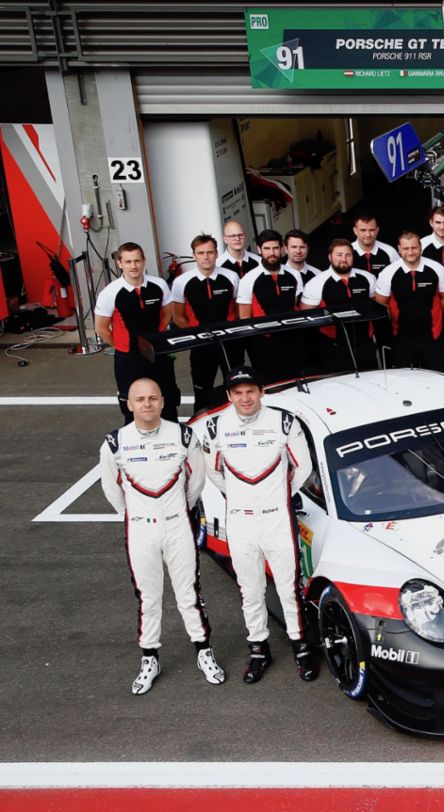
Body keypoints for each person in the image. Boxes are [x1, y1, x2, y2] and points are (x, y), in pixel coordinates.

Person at [99, 378, 224, 694]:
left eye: (153, 397)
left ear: (163, 401)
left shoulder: (183, 436)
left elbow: (195, 483)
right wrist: (137, 515)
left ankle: (204, 651)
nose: (146, 404)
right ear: (129, 404)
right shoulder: (114, 443)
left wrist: (179, 510)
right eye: (139, 399)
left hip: (177, 524)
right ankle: (149, 657)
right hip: (140, 528)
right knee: (148, 596)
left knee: (189, 593)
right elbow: (112, 490)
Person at [202, 366, 317, 684]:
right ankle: (258, 650)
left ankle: (301, 647)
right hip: (241, 521)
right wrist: (242, 497)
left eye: (250, 391)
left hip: (277, 518)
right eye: (237, 393)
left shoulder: (283, 421)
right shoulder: (215, 428)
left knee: (288, 588)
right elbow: (214, 473)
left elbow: (302, 467)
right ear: (229, 396)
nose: (245, 398)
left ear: (261, 392)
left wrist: (278, 495)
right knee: (250, 590)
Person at [94, 242, 181, 424]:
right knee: (132, 407)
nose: (133, 266)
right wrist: (123, 347)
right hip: (128, 359)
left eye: (137, 261)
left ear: (144, 261)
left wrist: (155, 340)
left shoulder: (159, 285)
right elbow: (101, 328)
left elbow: (166, 313)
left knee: (168, 401)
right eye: (128, 262)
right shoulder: (110, 293)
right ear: (119, 263)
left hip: (159, 354)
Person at [168, 233, 239, 411]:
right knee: (201, 391)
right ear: (194, 255)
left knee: (236, 387)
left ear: (216, 253)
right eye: (201, 253)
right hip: (201, 346)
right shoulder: (181, 282)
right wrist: (197, 336)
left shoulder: (231, 277)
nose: (206, 257)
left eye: (210, 252)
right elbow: (177, 316)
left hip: (229, 343)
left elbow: (238, 310)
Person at [374, 231, 444, 372]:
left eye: (414, 248)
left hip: (433, 337)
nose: (410, 252)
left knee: (437, 379)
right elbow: (380, 302)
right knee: (404, 382)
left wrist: (433, 313)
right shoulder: (388, 272)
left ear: (420, 247)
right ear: (399, 249)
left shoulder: (436, 268)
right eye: (406, 248)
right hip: (402, 338)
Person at [299, 239, 378, 372]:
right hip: (333, 348)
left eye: (348, 255)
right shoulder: (317, 283)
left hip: (365, 344)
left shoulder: (367, 278)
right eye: (339, 255)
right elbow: (306, 316)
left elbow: (376, 306)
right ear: (330, 257)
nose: (344, 259)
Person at [237, 229, 306, 383]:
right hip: (264, 344)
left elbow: (295, 304)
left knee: (295, 382)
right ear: (259, 250)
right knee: (270, 386)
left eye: (275, 248)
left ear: (282, 249)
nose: (272, 252)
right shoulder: (249, 279)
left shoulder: (294, 275)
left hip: (291, 340)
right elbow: (244, 317)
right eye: (267, 249)